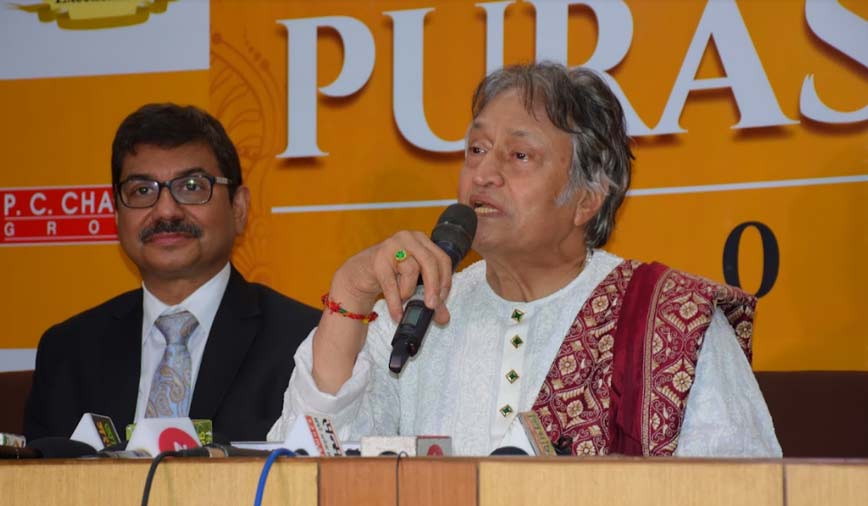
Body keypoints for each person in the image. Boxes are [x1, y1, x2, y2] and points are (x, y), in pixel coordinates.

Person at [268, 63, 781, 457]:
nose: (483, 174)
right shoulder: (414, 314)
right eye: (475, 149)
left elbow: (744, 490)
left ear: (587, 199)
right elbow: (309, 463)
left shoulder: (673, 322)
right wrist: (351, 295)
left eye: (518, 156)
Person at [24, 104, 321, 443]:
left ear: (238, 209)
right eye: (142, 191)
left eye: (192, 186)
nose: (165, 210)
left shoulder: (305, 343)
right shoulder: (68, 352)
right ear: (117, 215)